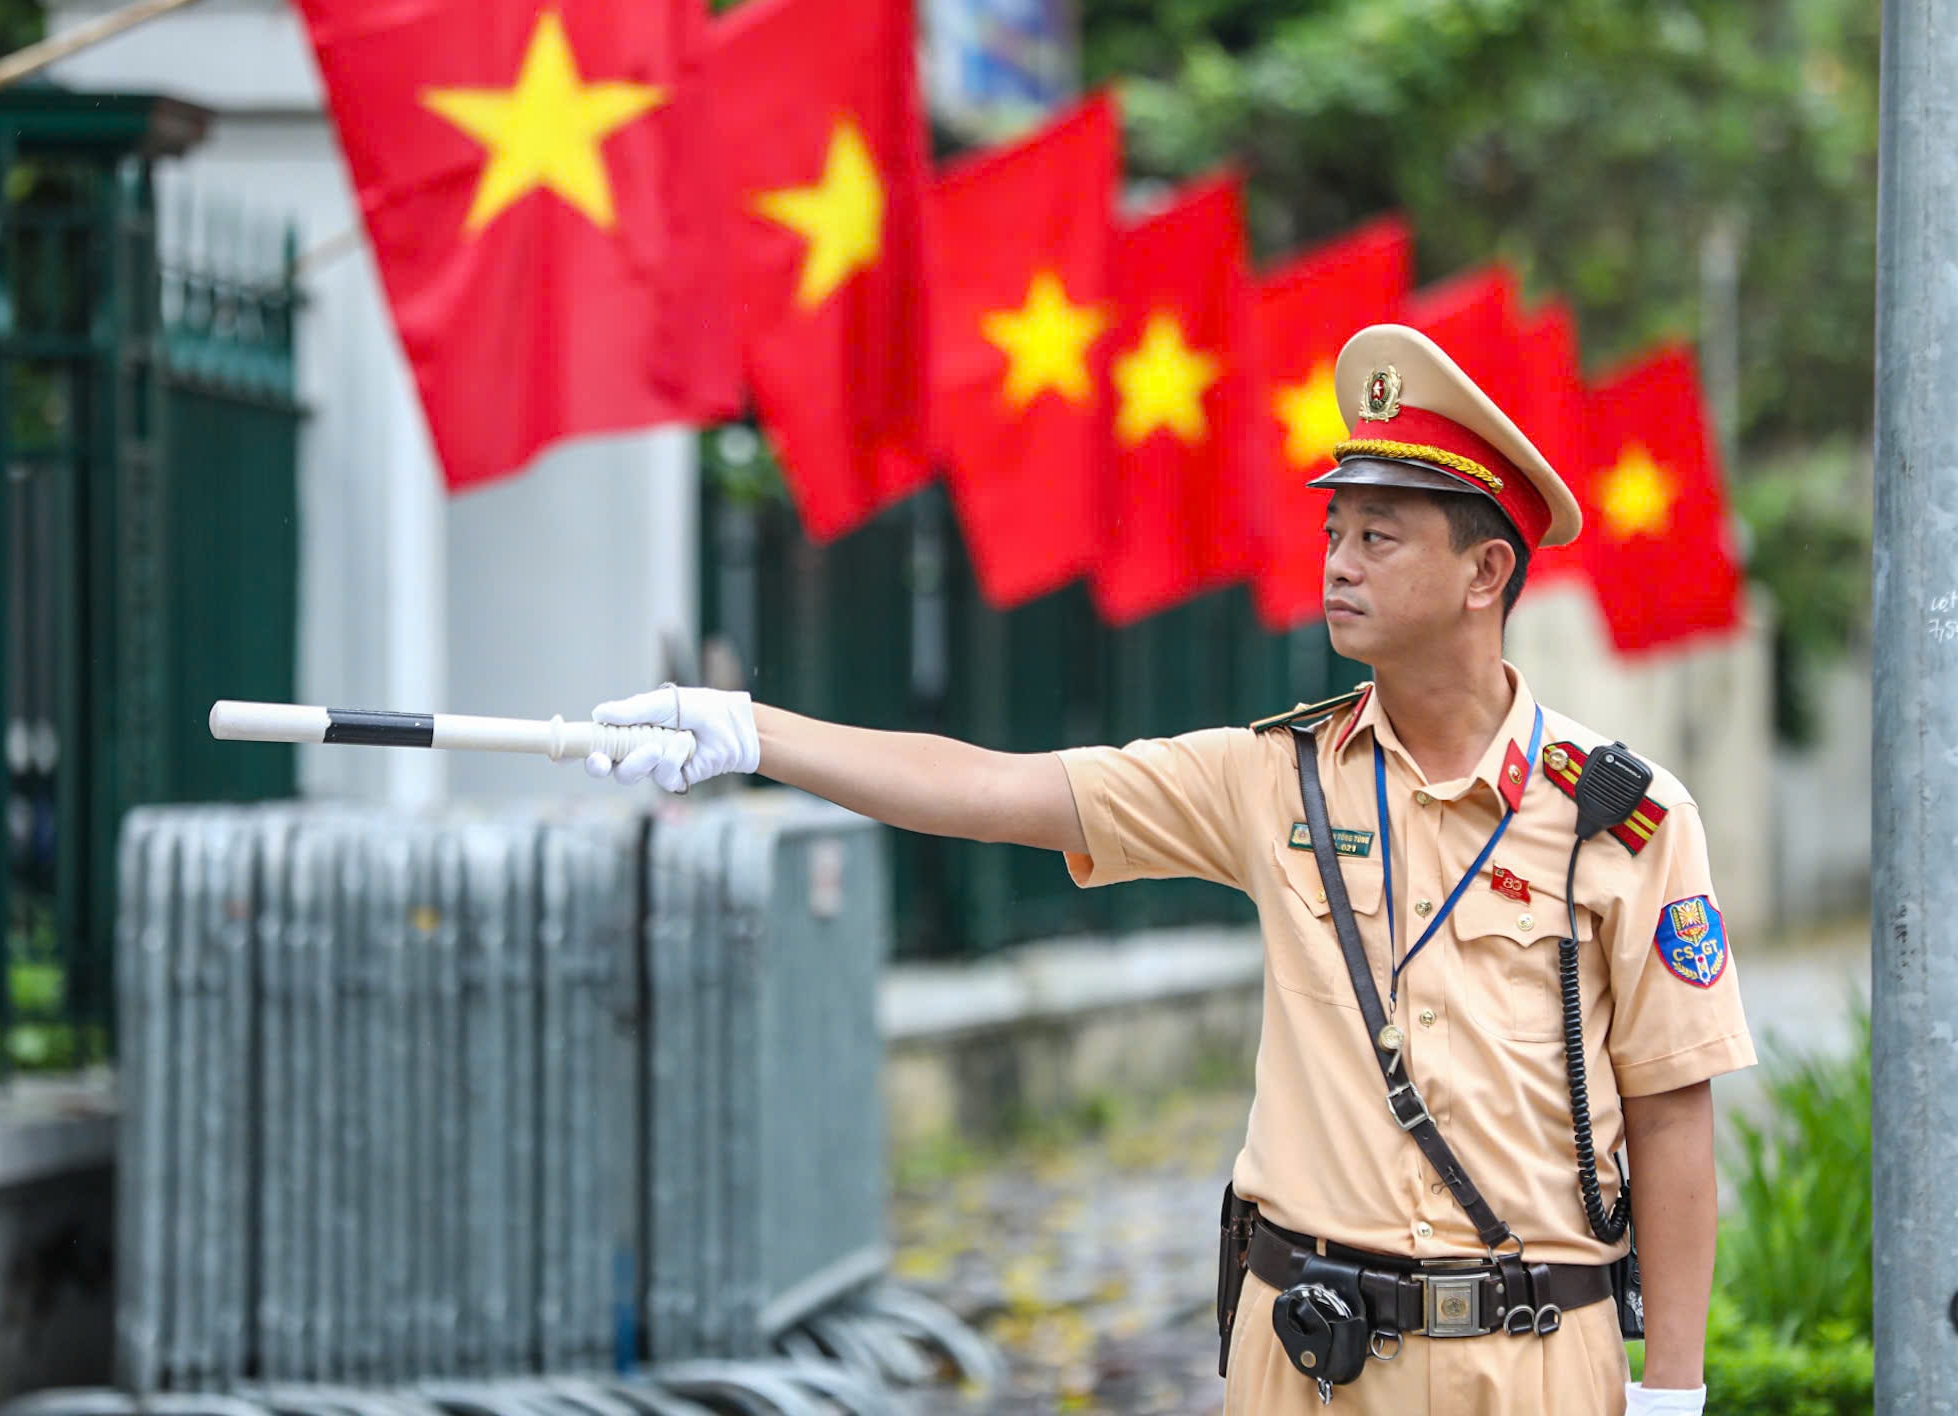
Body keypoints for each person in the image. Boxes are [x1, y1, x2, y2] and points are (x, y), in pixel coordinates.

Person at [585, 324, 1754, 1415]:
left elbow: (1668, 1118)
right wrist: (750, 732)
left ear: (1483, 573)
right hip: (1305, 1360)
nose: (1336, 562)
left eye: (1377, 536)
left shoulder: (1618, 819)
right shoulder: (1273, 779)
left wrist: (1674, 1393)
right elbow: (999, 789)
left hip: (1529, 1364)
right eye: (1333, 529)